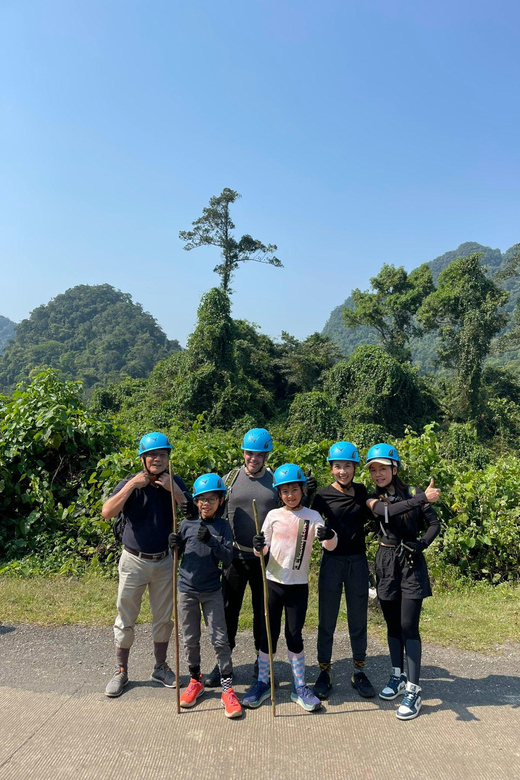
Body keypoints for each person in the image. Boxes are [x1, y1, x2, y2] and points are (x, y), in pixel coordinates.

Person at [242, 463, 338, 712]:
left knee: (294, 635)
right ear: (279, 494)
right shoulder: (273, 516)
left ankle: (299, 686)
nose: (290, 495)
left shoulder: (312, 516)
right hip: (272, 584)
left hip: (298, 587)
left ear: (303, 490)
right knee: (268, 634)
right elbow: (261, 551)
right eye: (284, 491)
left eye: (295, 489)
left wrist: (329, 535)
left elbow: (329, 545)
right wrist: (257, 544)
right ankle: (263, 682)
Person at [102, 432, 188, 698]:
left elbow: (193, 512)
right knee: (126, 617)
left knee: (163, 618)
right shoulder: (129, 483)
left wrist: (174, 490)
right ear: (143, 458)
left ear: (168, 457)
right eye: (152, 454)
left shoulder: (175, 481)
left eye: (162, 454)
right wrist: (131, 487)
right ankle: (120, 671)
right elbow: (107, 512)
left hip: (165, 560)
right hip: (133, 560)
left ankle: (160, 667)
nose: (157, 459)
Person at [365, 443, 440, 721]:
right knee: (393, 624)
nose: (377, 474)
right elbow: (388, 513)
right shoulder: (372, 500)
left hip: (411, 563)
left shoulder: (414, 493)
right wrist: (423, 499)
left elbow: (434, 524)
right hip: (386, 560)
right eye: (373, 470)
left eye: (382, 468)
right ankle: (397, 676)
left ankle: (414, 688)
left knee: (409, 625)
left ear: (395, 468)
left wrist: (421, 544)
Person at [204, 427, 278, 687]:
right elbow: (213, 507)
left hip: (264, 559)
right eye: (249, 453)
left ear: (266, 455)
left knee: (263, 612)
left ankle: (262, 662)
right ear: (243, 453)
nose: (253, 458)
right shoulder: (231, 478)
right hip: (235, 557)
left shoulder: (276, 480)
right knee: (228, 611)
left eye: (259, 454)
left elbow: (291, 510)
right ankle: (224, 663)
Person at [168, 473, 242, 718]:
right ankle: (195, 680)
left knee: (220, 639)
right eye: (201, 499)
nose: (206, 504)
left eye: (211, 499)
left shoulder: (222, 527)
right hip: (186, 589)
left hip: (212, 591)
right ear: (196, 501)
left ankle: (227, 688)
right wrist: (174, 544)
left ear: (221, 501)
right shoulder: (187, 523)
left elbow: (228, 558)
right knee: (190, 638)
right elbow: (180, 555)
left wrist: (211, 541)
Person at [311, 441, 375, 700]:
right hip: (332, 563)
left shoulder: (362, 492)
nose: (342, 471)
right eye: (337, 466)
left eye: (347, 466)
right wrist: (320, 533)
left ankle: (359, 671)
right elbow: (308, 522)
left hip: (358, 562)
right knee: (327, 618)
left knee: (358, 619)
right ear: (331, 468)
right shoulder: (322, 495)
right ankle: (324, 671)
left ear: (355, 467)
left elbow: (379, 515)